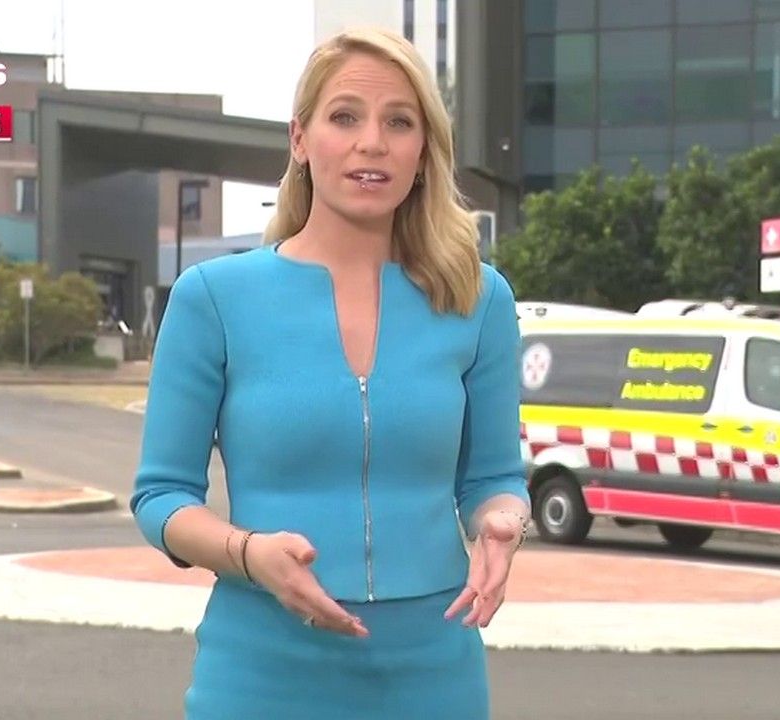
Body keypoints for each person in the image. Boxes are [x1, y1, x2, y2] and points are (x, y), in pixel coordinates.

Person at [130, 26, 530, 720]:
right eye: (345, 117)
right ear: (300, 139)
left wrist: (504, 521)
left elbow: (494, 477)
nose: (372, 142)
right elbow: (161, 497)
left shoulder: (479, 298)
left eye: (398, 122)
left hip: (434, 673)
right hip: (261, 671)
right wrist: (249, 553)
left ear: (423, 152)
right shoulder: (213, 298)